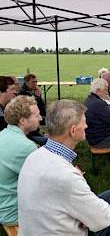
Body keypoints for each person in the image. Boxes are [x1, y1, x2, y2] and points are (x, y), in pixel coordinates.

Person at [18, 99, 110, 236]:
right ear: (73, 130)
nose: (86, 126)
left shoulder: (35, 155)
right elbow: (102, 221)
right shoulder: (66, 176)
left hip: (37, 227)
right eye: (84, 122)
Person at [0, 96, 40, 229]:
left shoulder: (4, 134)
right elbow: (44, 182)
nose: (40, 119)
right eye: (36, 115)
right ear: (23, 121)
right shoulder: (26, 146)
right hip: (15, 213)